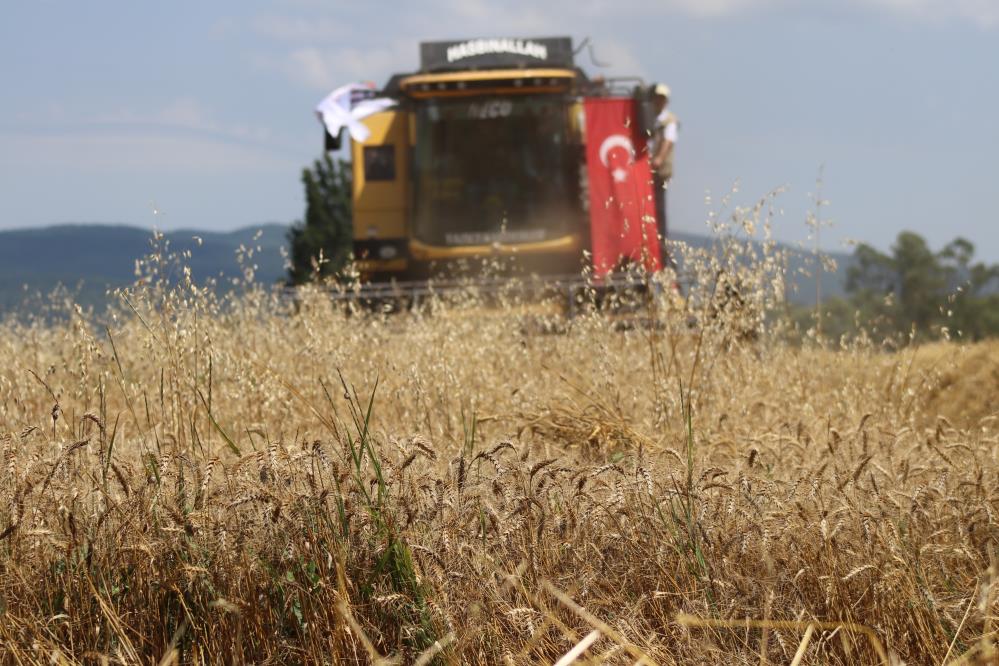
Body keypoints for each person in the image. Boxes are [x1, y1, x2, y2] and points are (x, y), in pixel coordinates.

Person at [648, 83, 678, 263]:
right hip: (646, 173)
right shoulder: (650, 118)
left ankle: (662, 252)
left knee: (659, 212)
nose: (658, 101)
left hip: (659, 174)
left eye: (661, 98)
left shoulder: (669, 121)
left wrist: (658, 159)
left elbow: (668, 142)